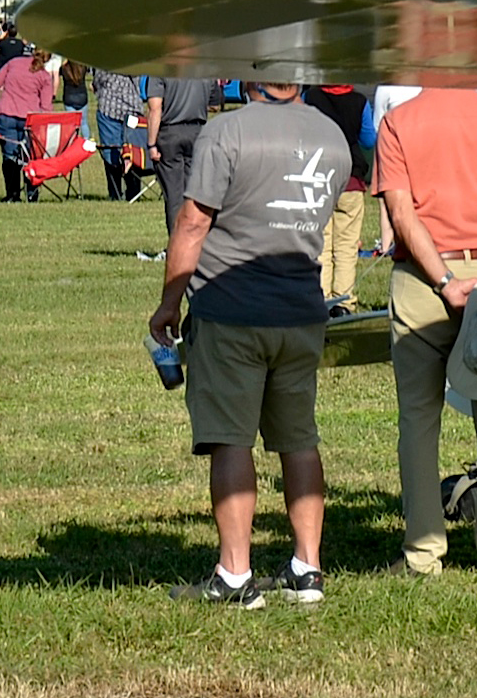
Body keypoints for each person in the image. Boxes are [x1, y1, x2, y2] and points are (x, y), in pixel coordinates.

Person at [144, 70, 347, 606]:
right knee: (298, 440)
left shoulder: (226, 133)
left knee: (230, 438)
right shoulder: (332, 135)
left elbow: (193, 222)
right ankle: (308, 568)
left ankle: (235, 574)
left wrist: (169, 301)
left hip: (231, 308)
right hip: (301, 307)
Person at [376, 86, 477, 577]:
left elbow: (402, 215)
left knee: (419, 422)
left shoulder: (399, 122)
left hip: (422, 280)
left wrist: (445, 282)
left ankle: (423, 555)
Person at [305, 83, 371, 316]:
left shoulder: (311, 96)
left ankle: (320, 298)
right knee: (346, 245)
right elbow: (368, 139)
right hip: (351, 177)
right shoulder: (360, 101)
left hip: (319, 178)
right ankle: (344, 300)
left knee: (321, 243)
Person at [143, 74, 217, 242]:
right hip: (197, 132)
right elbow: (215, 104)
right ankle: (197, 241)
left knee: (174, 195)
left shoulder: (160, 71)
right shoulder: (204, 70)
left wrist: (151, 144)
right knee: (195, 194)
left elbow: (155, 108)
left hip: (170, 133)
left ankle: (177, 244)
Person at [0, 39, 54, 203]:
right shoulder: (45, 76)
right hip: (30, 119)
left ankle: (12, 193)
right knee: (30, 156)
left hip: (6, 114)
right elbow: (46, 107)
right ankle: (31, 192)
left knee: (9, 156)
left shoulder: (13, 63)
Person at [89, 64, 148, 202]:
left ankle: (115, 191)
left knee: (111, 150)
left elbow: (99, 80)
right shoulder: (137, 59)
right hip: (133, 107)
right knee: (133, 151)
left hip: (110, 107)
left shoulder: (107, 58)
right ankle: (133, 191)